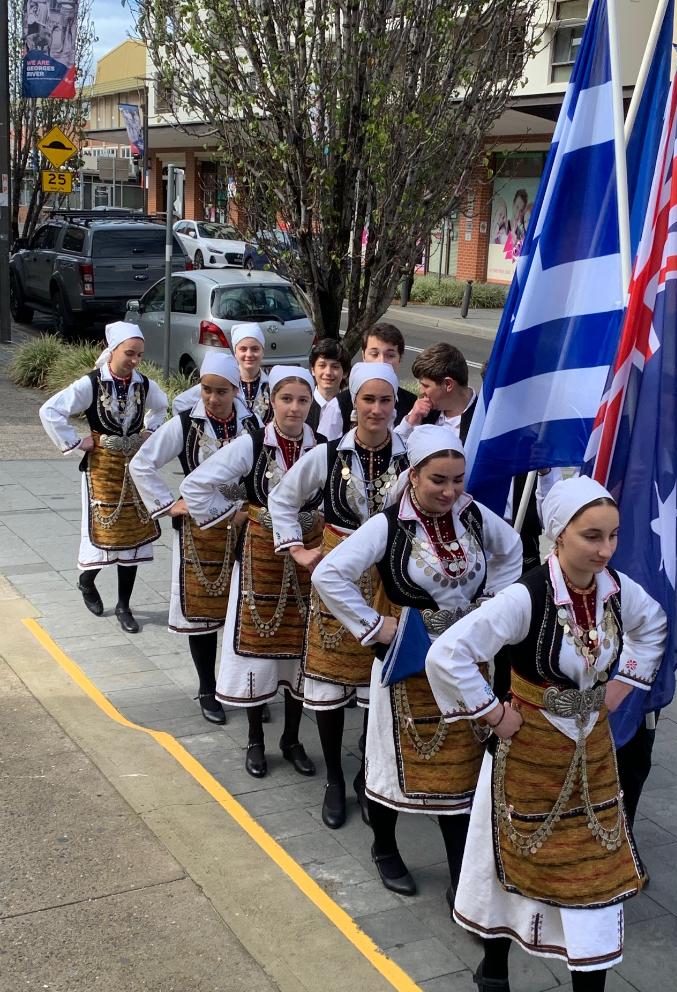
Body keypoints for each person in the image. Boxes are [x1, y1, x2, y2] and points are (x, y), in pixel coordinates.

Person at [425, 476, 666, 992]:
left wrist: (620, 686)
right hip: (527, 751)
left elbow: (654, 623)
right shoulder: (526, 596)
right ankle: (495, 973)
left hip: (593, 757)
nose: (606, 549)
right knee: (511, 869)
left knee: (596, 882)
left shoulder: (615, 591)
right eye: (592, 536)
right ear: (558, 536)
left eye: (612, 535)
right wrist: (491, 711)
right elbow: (448, 653)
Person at [312, 425, 522, 896]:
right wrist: (374, 626)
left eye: (458, 480)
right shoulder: (387, 525)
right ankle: (384, 847)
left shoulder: (472, 516)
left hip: (466, 659)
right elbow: (330, 573)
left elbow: (512, 550)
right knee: (391, 760)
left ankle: (458, 874)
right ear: (413, 475)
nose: (450, 491)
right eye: (438, 481)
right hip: (409, 659)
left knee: (463, 761)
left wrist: (492, 603)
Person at [270, 363, 409, 828]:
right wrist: (297, 550)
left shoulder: (412, 459)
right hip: (337, 580)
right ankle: (334, 777)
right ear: (353, 404)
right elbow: (282, 498)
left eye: (385, 400)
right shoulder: (329, 455)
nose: (376, 409)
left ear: (395, 405)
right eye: (367, 400)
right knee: (329, 683)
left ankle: (367, 778)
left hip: (389, 582)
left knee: (378, 687)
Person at [179, 367, 322, 778]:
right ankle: (256, 739)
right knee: (258, 648)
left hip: (307, 558)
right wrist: (235, 514)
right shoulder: (253, 444)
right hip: (261, 556)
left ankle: (291, 738)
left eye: (302, 400)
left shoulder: (325, 447)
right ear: (271, 403)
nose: (294, 408)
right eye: (286, 399)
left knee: (299, 649)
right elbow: (197, 485)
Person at [129, 351, 258, 725]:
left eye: (221, 391)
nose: (213, 398)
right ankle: (207, 686)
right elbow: (142, 463)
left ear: (236, 389)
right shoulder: (185, 425)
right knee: (202, 609)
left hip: (245, 524)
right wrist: (170, 505)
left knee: (243, 608)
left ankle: (246, 688)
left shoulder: (254, 425)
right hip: (200, 528)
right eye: (206, 390)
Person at [39, 322, 168, 634]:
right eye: (129, 353)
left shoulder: (144, 385)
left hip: (134, 466)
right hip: (102, 468)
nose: (135, 360)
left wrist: (150, 431)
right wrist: (76, 440)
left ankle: (124, 605)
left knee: (134, 535)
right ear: (112, 351)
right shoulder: (92, 383)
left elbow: (162, 408)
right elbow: (50, 411)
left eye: (139, 354)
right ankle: (87, 580)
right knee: (105, 531)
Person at [172, 323, 273, 424]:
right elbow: (180, 403)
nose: (249, 354)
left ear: (262, 351)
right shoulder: (223, 379)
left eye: (255, 349)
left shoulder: (271, 384)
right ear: (235, 352)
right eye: (243, 349)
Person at [335, 323, 417, 432]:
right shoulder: (340, 404)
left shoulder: (412, 405)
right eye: (374, 354)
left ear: (400, 358)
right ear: (363, 356)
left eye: (390, 355)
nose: (381, 362)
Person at [397, 343, 477, 443]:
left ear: (448, 384)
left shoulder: (480, 420)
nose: (421, 392)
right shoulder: (422, 410)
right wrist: (411, 421)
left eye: (426, 386)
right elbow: (392, 450)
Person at [306, 337, 350, 440]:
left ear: (345, 373)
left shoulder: (351, 407)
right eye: (322, 365)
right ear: (313, 370)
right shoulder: (303, 405)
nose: (328, 373)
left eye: (335, 367)